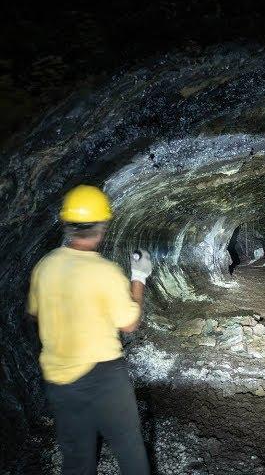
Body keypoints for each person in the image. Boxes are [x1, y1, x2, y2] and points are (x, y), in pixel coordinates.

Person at [27, 185, 153, 474]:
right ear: (102, 226)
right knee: (129, 447)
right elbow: (129, 323)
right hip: (103, 374)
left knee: (76, 457)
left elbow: (34, 314)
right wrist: (139, 277)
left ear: (66, 224)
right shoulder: (104, 272)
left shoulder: (43, 266)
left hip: (58, 377)